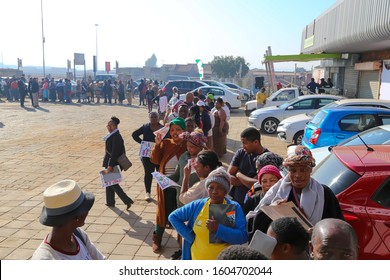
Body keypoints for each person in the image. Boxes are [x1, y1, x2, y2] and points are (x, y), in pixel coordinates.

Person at [253, 145, 344, 233]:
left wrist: (319, 232)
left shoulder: (324, 194)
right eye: (293, 170)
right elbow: (258, 226)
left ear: (310, 170)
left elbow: (338, 226)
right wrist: (272, 209)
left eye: (303, 170)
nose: (298, 175)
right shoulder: (277, 194)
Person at [168, 167, 248, 260]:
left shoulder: (233, 207)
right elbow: (173, 217)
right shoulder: (198, 205)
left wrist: (218, 229)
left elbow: (243, 236)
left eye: (220, 188)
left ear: (226, 190)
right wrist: (191, 237)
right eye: (211, 187)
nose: (214, 191)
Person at [32, 179, 105, 260]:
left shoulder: (78, 234)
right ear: (76, 217)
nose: (87, 212)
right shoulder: (45, 259)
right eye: (85, 208)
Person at [150, 117, 188, 253]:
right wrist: (157, 144)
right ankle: (157, 239)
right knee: (161, 211)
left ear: (184, 130)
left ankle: (181, 242)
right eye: (172, 130)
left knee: (180, 212)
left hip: (181, 185)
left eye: (178, 129)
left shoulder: (188, 144)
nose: (175, 132)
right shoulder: (165, 143)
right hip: (164, 184)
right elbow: (154, 160)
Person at [228, 127, 270, 207]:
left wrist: (238, 174)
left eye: (244, 143)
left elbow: (257, 184)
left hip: (254, 204)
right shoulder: (240, 153)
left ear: (256, 142)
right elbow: (229, 177)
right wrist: (247, 181)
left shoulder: (267, 158)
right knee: (231, 219)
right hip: (235, 201)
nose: (243, 146)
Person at [103, 116, 134, 209]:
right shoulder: (112, 135)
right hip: (111, 161)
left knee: (112, 182)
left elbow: (115, 152)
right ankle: (110, 201)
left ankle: (127, 200)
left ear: (115, 126)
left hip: (114, 162)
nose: (109, 127)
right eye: (108, 125)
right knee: (108, 181)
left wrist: (110, 165)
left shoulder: (116, 136)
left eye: (111, 125)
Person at [132, 112, 164, 201]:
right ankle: (147, 192)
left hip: (159, 155)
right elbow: (134, 134)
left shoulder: (162, 128)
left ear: (158, 118)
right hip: (147, 155)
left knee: (159, 173)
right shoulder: (145, 127)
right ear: (149, 118)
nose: (154, 118)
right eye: (152, 117)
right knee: (148, 173)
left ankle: (161, 191)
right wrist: (142, 143)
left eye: (155, 117)